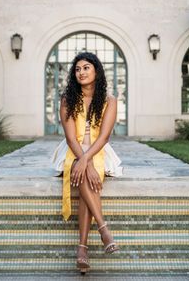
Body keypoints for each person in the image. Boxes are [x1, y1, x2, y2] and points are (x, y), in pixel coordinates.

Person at [50, 52, 123, 273]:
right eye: (77, 69)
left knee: (85, 178)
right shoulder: (67, 99)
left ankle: (82, 249)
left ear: (96, 71)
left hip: (98, 150)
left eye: (86, 68)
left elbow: (104, 137)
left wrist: (87, 161)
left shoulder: (109, 101)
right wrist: (84, 163)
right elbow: (72, 138)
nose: (81, 72)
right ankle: (103, 230)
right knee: (82, 172)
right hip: (72, 149)